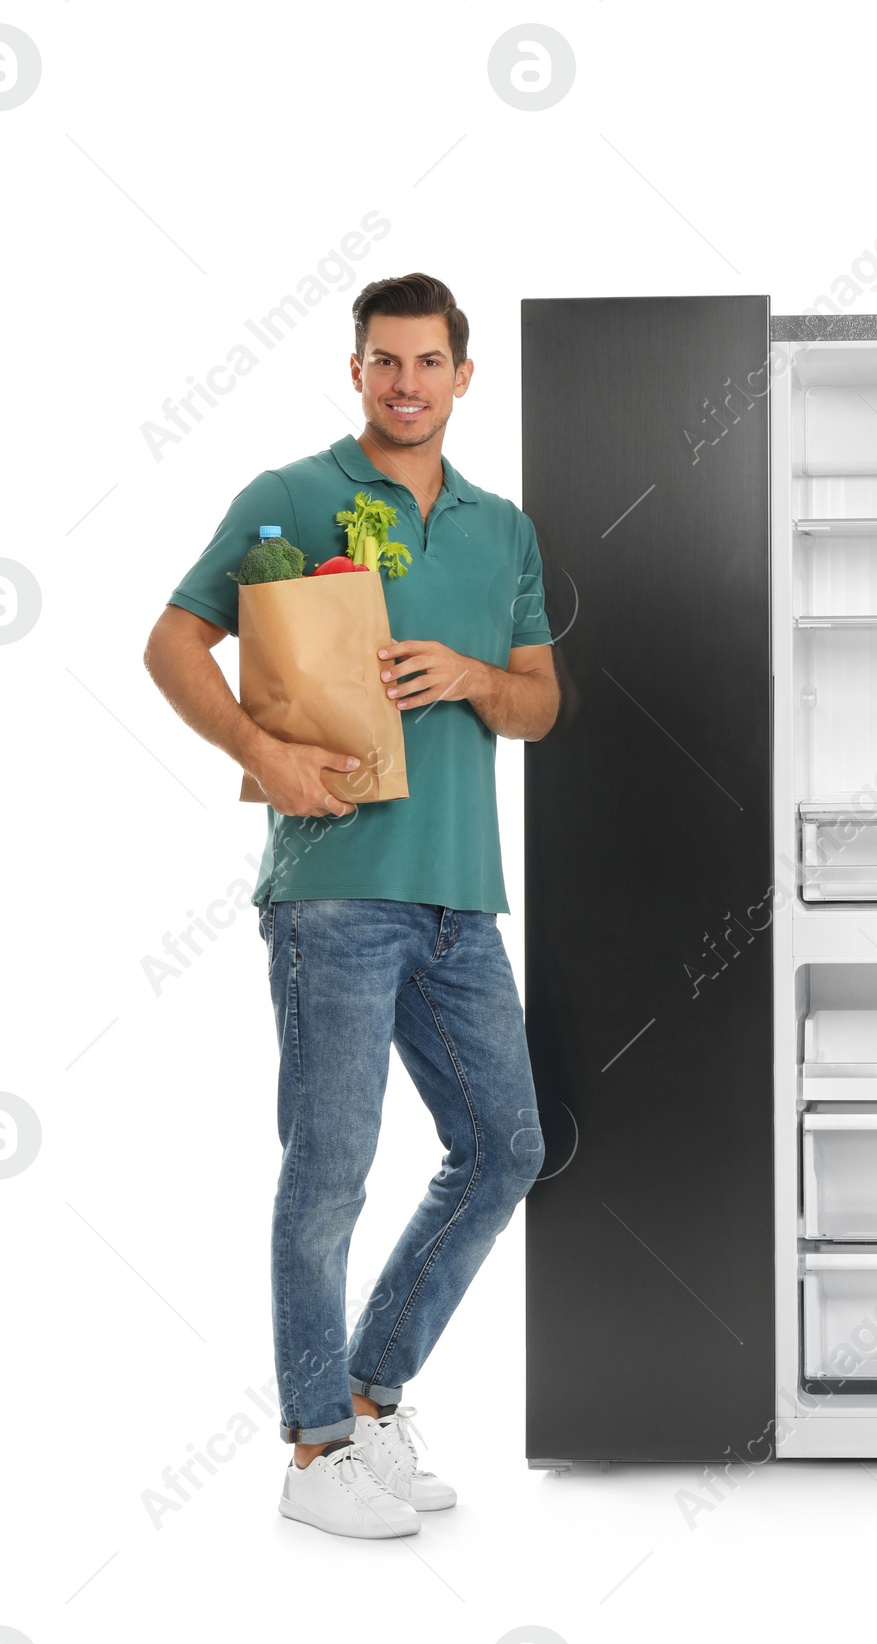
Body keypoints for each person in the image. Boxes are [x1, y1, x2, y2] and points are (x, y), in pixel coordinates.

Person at [144, 272, 559, 1539]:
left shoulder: (502, 528)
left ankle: (370, 1401)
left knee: (505, 1149)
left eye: (428, 362)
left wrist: (476, 674)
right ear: (357, 370)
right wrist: (257, 757)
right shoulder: (290, 495)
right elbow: (171, 639)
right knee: (329, 1168)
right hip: (331, 897)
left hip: (459, 898)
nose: (405, 383)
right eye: (384, 361)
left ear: (463, 377)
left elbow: (541, 702)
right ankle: (313, 1446)